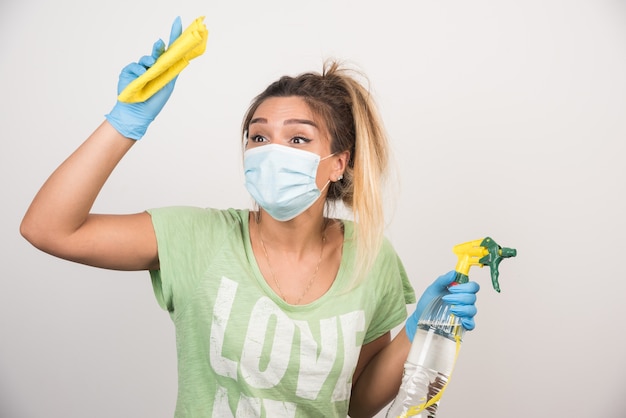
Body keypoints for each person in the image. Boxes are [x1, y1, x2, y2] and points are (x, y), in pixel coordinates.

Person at [20, 17, 479, 418]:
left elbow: (353, 404)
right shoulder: (197, 237)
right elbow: (47, 229)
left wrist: (417, 331)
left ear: (338, 163)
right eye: (258, 138)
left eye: (297, 140)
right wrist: (125, 121)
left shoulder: (370, 256)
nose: (272, 151)